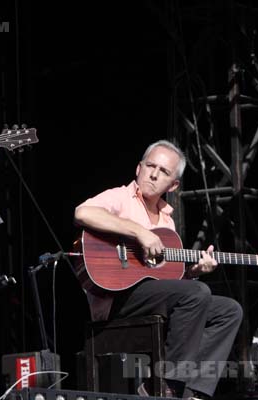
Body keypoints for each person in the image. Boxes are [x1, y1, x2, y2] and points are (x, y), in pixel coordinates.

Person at [74, 140, 243, 399]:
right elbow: (83, 212)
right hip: (115, 297)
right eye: (150, 166)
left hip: (148, 297)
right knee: (196, 292)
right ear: (138, 168)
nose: (153, 174)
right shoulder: (121, 197)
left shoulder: (167, 221)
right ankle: (165, 387)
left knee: (228, 310)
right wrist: (139, 231)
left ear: (173, 185)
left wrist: (194, 272)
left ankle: (194, 392)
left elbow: (166, 279)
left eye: (163, 171)